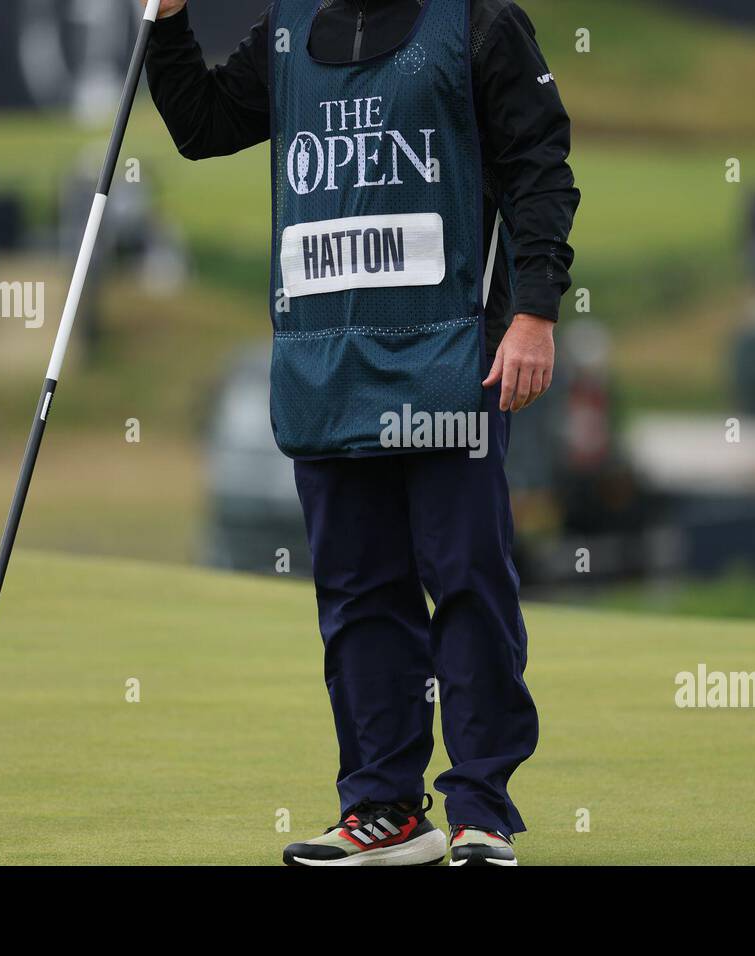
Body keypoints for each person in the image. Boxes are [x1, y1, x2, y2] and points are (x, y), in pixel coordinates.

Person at [143, 0, 578, 866]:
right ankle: (383, 808)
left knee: (466, 579)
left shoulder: (478, 23)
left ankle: (480, 809)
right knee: (357, 593)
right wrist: (167, 25)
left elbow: (541, 166)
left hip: (449, 359)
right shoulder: (289, 30)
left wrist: (534, 312)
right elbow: (202, 125)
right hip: (326, 366)